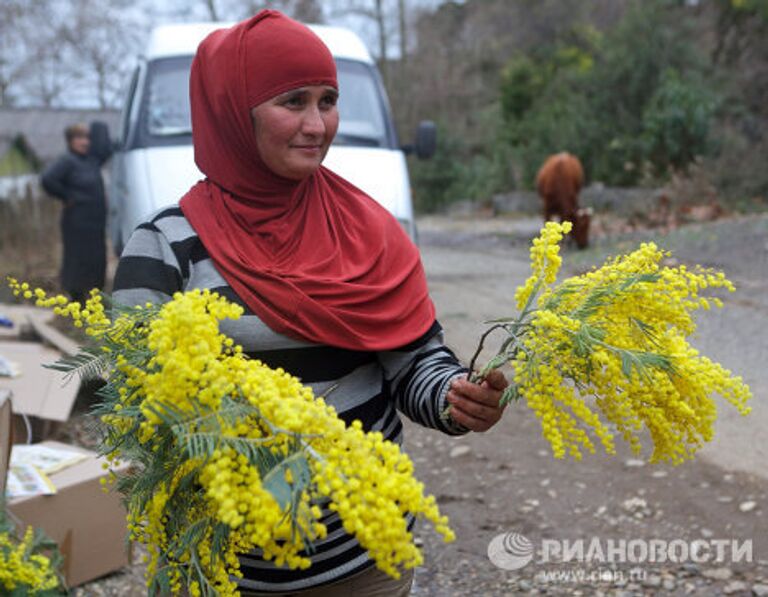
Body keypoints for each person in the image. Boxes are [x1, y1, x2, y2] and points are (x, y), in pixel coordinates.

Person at [112, 10, 507, 596]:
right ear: (233, 112)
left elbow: (412, 360)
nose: (317, 124)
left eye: (328, 100)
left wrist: (454, 398)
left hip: (366, 557)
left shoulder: (367, 228)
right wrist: (231, 435)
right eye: (292, 101)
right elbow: (132, 405)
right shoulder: (166, 245)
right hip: (228, 569)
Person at [40, 121, 112, 303]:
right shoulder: (67, 161)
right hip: (76, 222)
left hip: (95, 223)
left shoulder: (92, 160)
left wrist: (97, 125)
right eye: (79, 138)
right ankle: (76, 299)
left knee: (96, 259)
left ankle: (95, 296)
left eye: (87, 138)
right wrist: (67, 196)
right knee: (77, 260)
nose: (85, 142)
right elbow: (47, 179)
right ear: (70, 141)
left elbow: (105, 147)